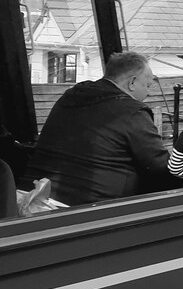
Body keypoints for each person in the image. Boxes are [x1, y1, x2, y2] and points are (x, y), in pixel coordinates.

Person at [23, 52, 170, 205]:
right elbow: (161, 167)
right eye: (147, 85)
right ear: (132, 83)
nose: (149, 92)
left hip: (31, 198)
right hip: (88, 210)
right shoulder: (133, 111)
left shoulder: (72, 95)